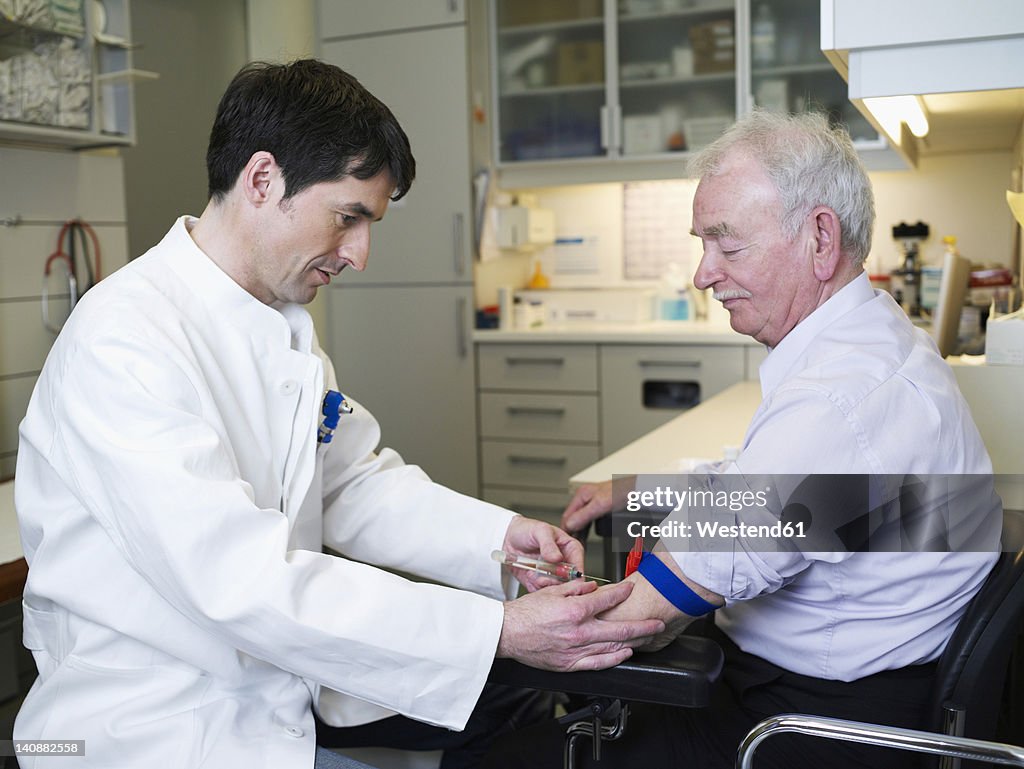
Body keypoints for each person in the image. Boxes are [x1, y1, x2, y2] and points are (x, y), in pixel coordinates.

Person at [12, 59, 664, 769]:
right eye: (348, 217)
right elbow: (240, 579)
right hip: (157, 722)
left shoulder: (279, 321)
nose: (359, 253)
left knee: (509, 708)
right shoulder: (126, 339)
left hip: (269, 683)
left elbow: (354, 483)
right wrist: (496, 629)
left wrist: (505, 542)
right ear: (262, 180)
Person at [485, 110, 1001, 769]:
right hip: (858, 687)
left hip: (799, 726)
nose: (704, 274)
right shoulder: (876, 346)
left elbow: (643, 619)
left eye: (729, 246)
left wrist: (502, 633)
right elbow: (782, 489)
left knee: (507, 756)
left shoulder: (837, 404)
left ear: (819, 237)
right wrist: (650, 490)